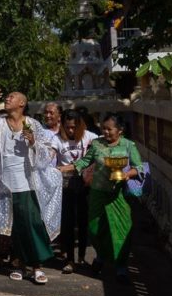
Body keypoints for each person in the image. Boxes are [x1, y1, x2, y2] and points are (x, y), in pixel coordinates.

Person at [0, 89, 62, 284]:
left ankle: (37, 266)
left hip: (28, 181)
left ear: (22, 104)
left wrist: (33, 142)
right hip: (6, 182)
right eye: (7, 96)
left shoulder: (33, 124)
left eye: (12, 97)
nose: (7, 98)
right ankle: (19, 264)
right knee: (14, 225)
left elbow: (45, 153)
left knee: (32, 222)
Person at [58, 113, 143, 283]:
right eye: (103, 128)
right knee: (95, 230)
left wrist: (127, 175)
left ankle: (121, 267)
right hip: (97, 192)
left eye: (109, 129)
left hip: (118, 195)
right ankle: (101, 256)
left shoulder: (128, 145)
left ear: (120, 130)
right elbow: (85, 161)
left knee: (121, 231)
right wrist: (66, 168)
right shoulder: (97, 144)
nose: (105, 132)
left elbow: (138, 167)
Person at [51, 109, 97, 274]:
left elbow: (100, 150)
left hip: (85, 184)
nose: (71, 131)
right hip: (64, 185)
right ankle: (69, 259)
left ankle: (82, 257)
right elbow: (50, 154)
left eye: (74, 127)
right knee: (68, 223)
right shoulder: (56, 139)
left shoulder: (89, 137)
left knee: (84, 222)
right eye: (67, 127)